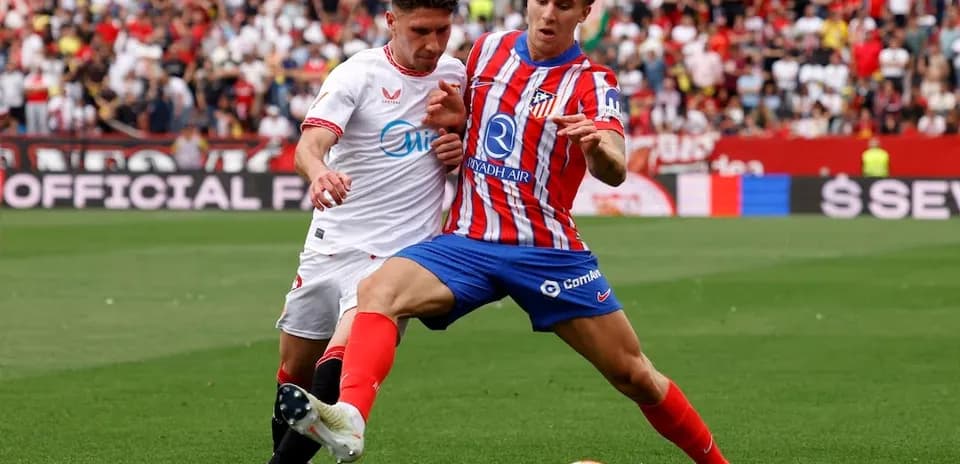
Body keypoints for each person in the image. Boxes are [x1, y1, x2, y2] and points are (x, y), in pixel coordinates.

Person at [278, 0, 730, 462]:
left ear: (584, 12)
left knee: (634, 374)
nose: (549, 14)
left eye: (564, 5)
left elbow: (614, 168)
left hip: (546, 250)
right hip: (467, 243)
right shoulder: (486, 52)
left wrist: (597, 148)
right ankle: (351, 417)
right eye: (541, 2)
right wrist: (457, 125)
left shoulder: (593, 82)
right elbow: (471, 121)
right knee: (377, 290)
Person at [267, 0, 466, 461]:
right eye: (420, 31)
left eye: (442, 30)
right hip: (332, 246)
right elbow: (309, 146)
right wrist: (319, 172)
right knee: (295, 376)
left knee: (339, 365)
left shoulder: (456, 76)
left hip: (397, 257)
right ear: (391, 22)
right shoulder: (356, 75)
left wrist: (459, 142)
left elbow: (475, 144)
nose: (433, 44)